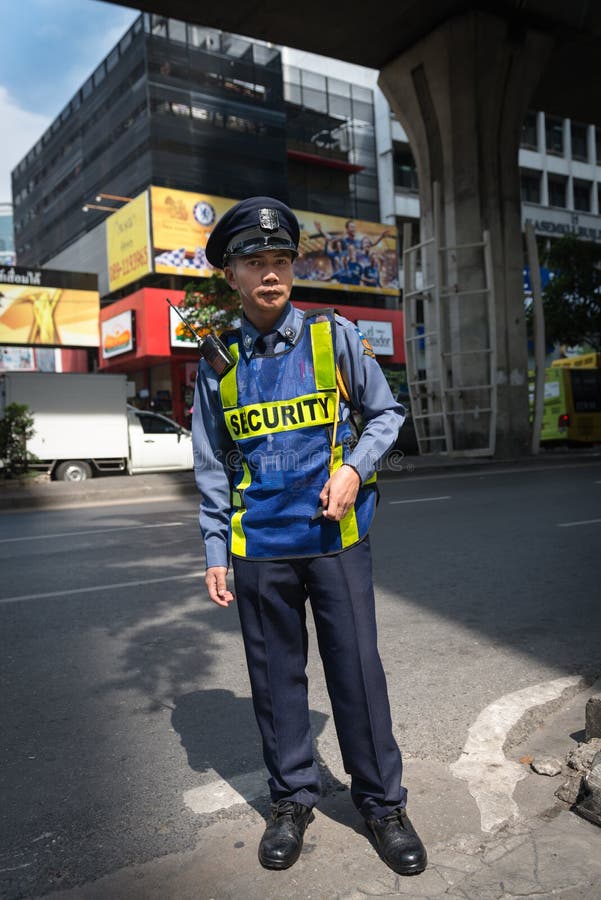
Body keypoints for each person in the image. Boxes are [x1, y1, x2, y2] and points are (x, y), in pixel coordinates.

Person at [192, 196, 427, 877]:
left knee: (356, 673)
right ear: (230, 276)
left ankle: (382, 804)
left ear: (292, 267)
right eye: (253, 263)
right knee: (274, 682)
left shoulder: (334, 336)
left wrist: (354, 469)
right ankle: (291, 799)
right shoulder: (217, 361)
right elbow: (211, 460)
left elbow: (385, 414)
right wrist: (214, 547)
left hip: (334, 538)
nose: (269, 274)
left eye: (279, 260)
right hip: (258, 546)